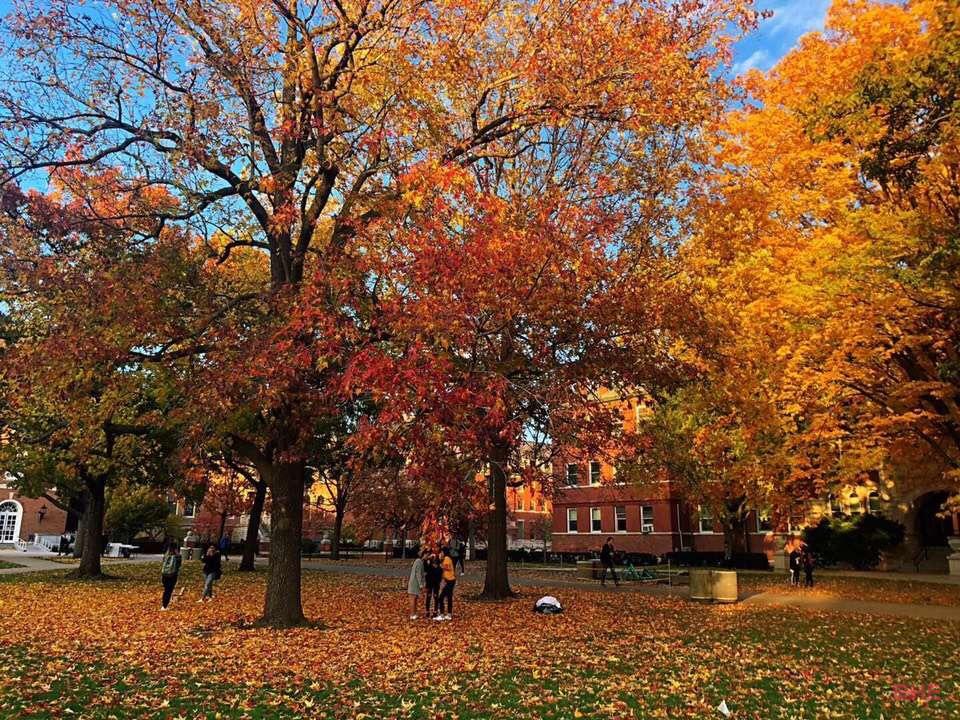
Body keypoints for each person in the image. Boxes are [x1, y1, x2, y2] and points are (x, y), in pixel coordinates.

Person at [434, 547, 456, 621]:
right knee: (449, 597)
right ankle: (449, 614)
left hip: (450, 581)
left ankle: (442, 614)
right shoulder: (447, 558)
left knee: (441, 597)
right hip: (449, 580)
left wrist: (440, 563)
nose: (441, 553)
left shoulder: (446, 558)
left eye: (442, 552)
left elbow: (447, 567)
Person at [160, 543, 182, 611]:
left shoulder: (166, 555)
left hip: (164, 574)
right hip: (172, 575)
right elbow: (179, 565)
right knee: (169, 591)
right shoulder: (177, 556)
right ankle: (165, 605)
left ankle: (164, 605)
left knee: (166, 590)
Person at [407, 550, 427, 619]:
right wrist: (421, 585)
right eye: (426, 555)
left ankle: (414, 613)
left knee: (415, 599)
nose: (427, 557)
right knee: (412, 599)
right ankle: (412, 614)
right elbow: (418, 574)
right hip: (414, 583)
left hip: (415, 583)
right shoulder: (419, 562)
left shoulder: (420, 562)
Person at [424, 552, 443, 618]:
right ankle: (427, 611)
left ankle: (435, 611)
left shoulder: (439, 569)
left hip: (436, 585)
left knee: (435, 597)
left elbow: (440, 578)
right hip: (429, 584)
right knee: (428, 597)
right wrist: (427, 558)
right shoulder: (429, 566)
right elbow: (425, 567)